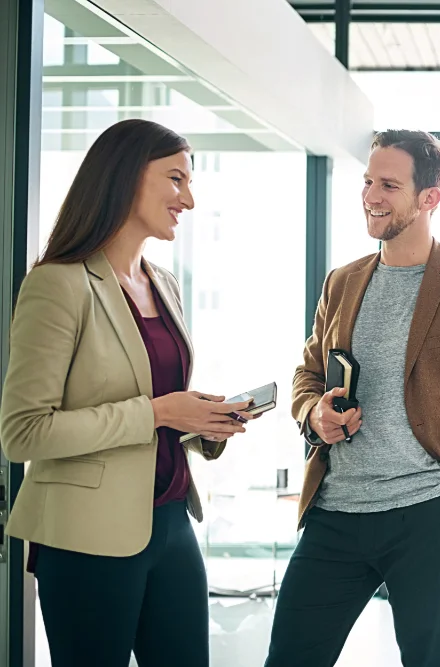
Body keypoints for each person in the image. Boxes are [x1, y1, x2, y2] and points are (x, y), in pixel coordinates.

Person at [264, 129, 440, 667]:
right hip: (335, 512)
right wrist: (312, 413)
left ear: (430, 197)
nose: (371, 195)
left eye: (389, 184)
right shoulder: (342, 281)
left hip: (426, 515)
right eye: (368, 181)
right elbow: (307, 372)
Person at [0, 119, 255, 667]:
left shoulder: (164, 283)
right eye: (176, 179)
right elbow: (23, 432)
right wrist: (160, 411)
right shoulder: (57, 284)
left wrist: (202, 421)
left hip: (169, 522)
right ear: (125, 177)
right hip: (85, 534)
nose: (188, 198)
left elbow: (157, 407)